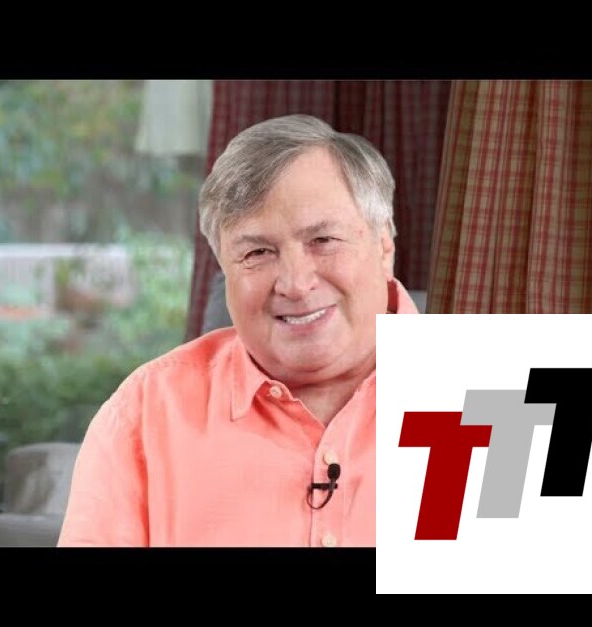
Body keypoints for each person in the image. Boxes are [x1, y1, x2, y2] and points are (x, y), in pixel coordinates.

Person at [57, 114, 418, 547]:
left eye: (323, 240)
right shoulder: (145, 415)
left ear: (383, 246)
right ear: (224, 269)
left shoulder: (482, 396)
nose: (295, 283)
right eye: (257, 252)